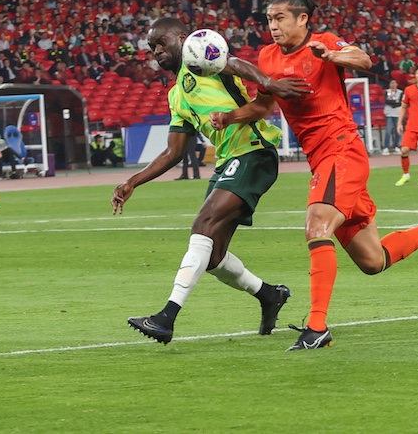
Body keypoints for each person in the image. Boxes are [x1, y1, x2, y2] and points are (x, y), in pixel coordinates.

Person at [210, 0, 418, 351]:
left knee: (316, 226)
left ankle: (317, 328)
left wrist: (333, 55)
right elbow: (264, 106)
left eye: (279, 18)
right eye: (269, 19)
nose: (272, 26)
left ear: (302, 19)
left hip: (341, 150)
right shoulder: (268, 56)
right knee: (373, 260)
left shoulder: (323, 43)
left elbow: (363, 59)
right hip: (322, 160)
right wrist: (229, 117)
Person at [114, 17, 310, 345]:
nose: (157, 51)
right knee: (214, 256)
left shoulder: (202, 58)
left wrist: (269, 83)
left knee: (202, 226)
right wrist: (133, 181)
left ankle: (166, 318)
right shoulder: (177, 96)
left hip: (252, 152)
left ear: (182, 38)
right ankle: (269, 295)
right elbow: (174, 151)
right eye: (152, 47)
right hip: (227, 162)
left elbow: (235, 63)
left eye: (162, 42)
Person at [381, 78, 402, 155]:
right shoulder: (387, 92)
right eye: (392, 83)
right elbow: (386, 101)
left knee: (398, 131)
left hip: (398, 114)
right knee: (388, 131)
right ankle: (386, 147)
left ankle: (396, 146)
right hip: (389, 113)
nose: (393, 85)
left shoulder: (400, 92)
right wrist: (395, 102)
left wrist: (393, 103)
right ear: (390, 84)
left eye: (394, 83)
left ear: (397, 84)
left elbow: (400, 102)